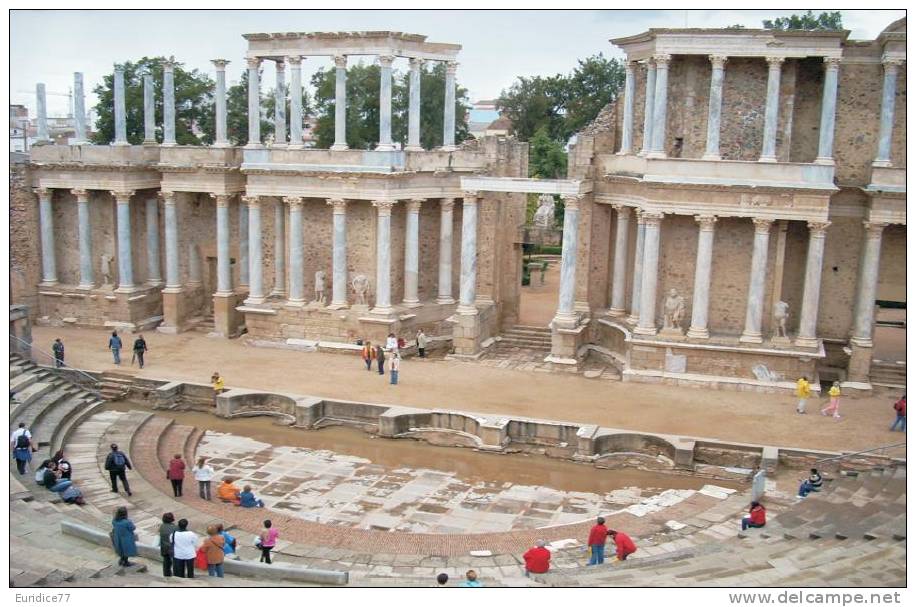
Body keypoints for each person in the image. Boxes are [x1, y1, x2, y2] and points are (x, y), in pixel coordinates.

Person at [158, 512, 178, 577]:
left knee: (166, 562)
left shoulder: (161, 526)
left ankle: (166, 575)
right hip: (172, 548)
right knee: (175, 563)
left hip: (164, 548)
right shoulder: (175, 528)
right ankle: (176, 574)